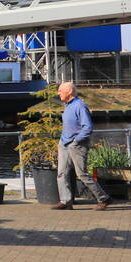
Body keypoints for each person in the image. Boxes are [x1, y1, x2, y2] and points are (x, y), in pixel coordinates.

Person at [52, 81, 111, 211]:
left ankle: (104, 198)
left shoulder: (80, 106)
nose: (58, 93)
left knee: (82, 174)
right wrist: (62, 141)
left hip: (76, 145)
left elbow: (88, 127)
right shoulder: (67, 105)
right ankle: (65, 201)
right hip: (64, 143)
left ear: (69, 91)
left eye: (61, 90)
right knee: (61, 173)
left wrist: (76, 140)